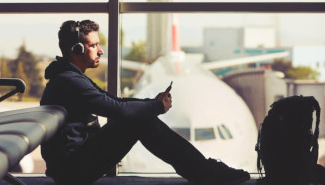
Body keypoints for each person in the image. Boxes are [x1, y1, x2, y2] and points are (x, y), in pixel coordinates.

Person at [40, 20, 250, 185]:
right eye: (94, 45)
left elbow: (114, 101)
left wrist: (151, 103)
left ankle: (204, 171)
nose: (100, 50)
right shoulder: (70, 81)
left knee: (141, 117)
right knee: (141, 121)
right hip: (73, 171)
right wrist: (156, 108)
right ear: (77, 50)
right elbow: (117, 110)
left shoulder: (69, 77)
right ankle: (205, 172)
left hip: (73, 164)